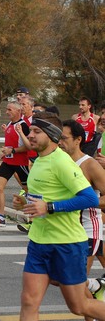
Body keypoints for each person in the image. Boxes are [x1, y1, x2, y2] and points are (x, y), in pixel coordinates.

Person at [12, 112, 105, 320]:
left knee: (79, 306)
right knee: (28, 301)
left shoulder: (62, 162)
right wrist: (24, 204)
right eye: (30, 131)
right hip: (38, 242)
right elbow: (41, 200)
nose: (31, 135)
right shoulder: (38, 162)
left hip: (67, 244)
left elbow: (90, 198)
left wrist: (50, 207)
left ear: (52, 135)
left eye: (37, 131)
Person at [58, 120, 105, 300]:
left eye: (64, 138)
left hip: (86, 230)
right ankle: (95, 286)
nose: (60, 142)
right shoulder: (59, 162)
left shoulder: (89, 165)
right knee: (62, 279)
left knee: (75, 285)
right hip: (64, 229)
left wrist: (84, 202)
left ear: (78, 140)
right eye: (58, 138)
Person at [0, 102, 30, 227]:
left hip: (20, 163)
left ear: (18, 111)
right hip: (8, 162)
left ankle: (34, 220)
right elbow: (11, 142)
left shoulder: (23, 126)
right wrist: (5, 153)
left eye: (9, 109)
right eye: (6, 109)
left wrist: (13, 151)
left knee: (30, 191)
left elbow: (28, 146)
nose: (7, 112)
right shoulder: (10, 124)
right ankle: (0, 217)